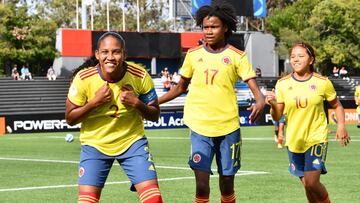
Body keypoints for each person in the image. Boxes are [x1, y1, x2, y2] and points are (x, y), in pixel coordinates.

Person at [158, 3, 265, 203]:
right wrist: (155, 102)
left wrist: (260, 100)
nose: (208, 31)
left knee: (226, 183)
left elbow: (256, 90)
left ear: (225, 27)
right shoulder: (193, 54)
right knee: (201, 184)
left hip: (228, 127)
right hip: (199, 127)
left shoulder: (237, 56)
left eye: (213, 27)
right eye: (205, 27)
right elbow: (180, 87)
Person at [65, 32, 163, 203]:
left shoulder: (139, 76)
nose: (110, 57)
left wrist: (136, 103)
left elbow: (155, 114)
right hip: (95, 145)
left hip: (132, 143)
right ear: (97, 55)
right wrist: (94, 103)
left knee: (154, 199)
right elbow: (70, 118)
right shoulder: (83, 79)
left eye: (116, 52)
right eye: (105, 52)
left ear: (124, 54)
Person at [265, 42, 350, 203]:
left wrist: (341, 126)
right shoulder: (282, 84)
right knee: (307, 186)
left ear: (311, 60)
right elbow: (277, 116)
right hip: (294, 141)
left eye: (301, 56)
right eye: (293, 56)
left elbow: (337, 105)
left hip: (316, 138)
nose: (295, 59)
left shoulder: (322, 82)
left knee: (312, 182)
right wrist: (274, 105)